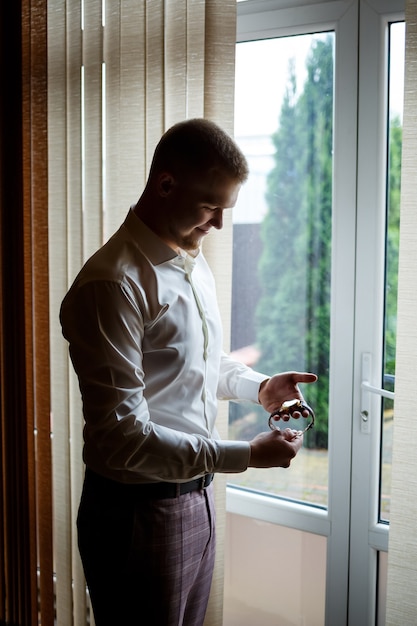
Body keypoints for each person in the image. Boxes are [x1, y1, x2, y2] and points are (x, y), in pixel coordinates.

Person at [60, 118, 317, 626]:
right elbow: (122, 438)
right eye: (210, 206)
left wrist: (259, 388)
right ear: (165, 183)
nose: (220, 224)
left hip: (196, 497)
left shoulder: (192, 262)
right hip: (137, 513)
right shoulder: (111, 285)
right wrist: (246, 455)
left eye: (227, 209)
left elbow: (198, 362)